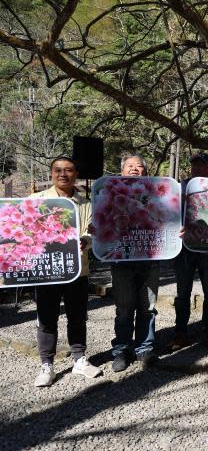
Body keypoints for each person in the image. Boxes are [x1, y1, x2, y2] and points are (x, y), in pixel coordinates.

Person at [30, 156, 101, 387]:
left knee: (78, 317)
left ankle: (79, 359)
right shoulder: (35, 200)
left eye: (69, 170)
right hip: (47, 271)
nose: (63, 174)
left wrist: (86, 240)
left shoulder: (86, 203)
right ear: (51, 174)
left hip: (77, 270)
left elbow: (92, 232)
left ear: (76, 174)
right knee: (47, 318)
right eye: (58, 170)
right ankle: (46, 364)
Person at [110, 155, 160, 372]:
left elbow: (167, 218)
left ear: (145, 171)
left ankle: (145, 348)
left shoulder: (156, 193)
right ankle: (121, 349)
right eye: (130, 166)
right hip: (122, 259)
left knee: (148, 307)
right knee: (123, 307)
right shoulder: (110, 192)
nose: (134, 169)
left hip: (150, 257)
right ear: (122, 170)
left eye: (139, 166)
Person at [170, 153, 208, 351]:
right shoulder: (179, 188)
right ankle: (180, 334)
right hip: (184, 249)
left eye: (202, 165)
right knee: (182, 293)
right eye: (194, 165)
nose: (197, 169)